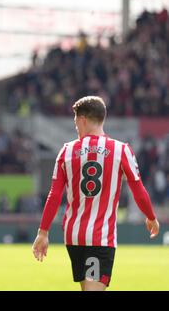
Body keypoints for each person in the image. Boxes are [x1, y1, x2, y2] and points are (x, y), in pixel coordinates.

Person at [32, 96, 160, 291]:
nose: (75, 126)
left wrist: (43, 232)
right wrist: (150, 216)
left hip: (74, 236)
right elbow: (138, 190)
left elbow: (54, 195)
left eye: (75, 121)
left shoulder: (66, 151)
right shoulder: (120, 150)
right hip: (100, 237)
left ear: (83, 120)